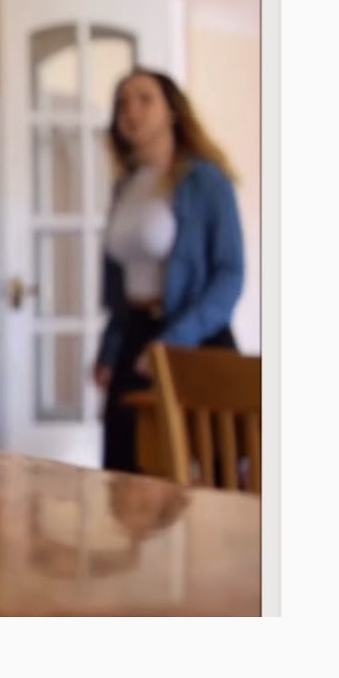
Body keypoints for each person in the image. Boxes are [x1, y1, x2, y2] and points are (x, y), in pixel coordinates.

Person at [94, 68, 244, 474]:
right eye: (122, 102)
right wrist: (110, 348)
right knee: (123, 470)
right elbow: (123, 280)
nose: (131, 110)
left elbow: (230, 275)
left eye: (145, 99)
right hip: (134, 339)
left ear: (172, 111)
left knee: (206, 477)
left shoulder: (206, 181)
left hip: (194, 340)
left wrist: (174, 341)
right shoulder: (126, 186)